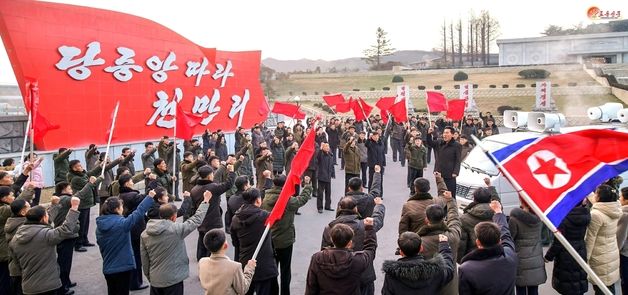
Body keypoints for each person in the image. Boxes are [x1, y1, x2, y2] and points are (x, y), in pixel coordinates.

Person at [140, 189, 212, 295]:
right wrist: (205, 201)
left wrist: (150, 276)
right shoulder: (176, 230)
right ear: (174, 217)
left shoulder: (145, 234)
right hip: (173, 279)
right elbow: (196, 219)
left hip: (155, 279)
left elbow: (144, 260)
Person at [10, 198, 81, 295]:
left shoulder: (15, 238)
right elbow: (66, 229)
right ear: (43, 218)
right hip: (48, 285)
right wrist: (74, 208)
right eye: (47, 215)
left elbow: (17, 264)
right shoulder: (46, 235)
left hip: (28, 286)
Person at [321, 197, 385, 295]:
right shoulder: (365, 226)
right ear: (355, 209)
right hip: (362, 277)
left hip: (337, 278)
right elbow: (377, 221)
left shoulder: (329, 228)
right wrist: (379, 206)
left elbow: (323, 253)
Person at [261, 175, 313, 295]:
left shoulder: (265, 196)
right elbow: (302, 199)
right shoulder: (287, 200)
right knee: (285, 271)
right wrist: (307, 185)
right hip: (285, 241)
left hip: (269, 240)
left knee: (272, 270)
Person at [96, 194, 155, 295]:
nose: (123, 209)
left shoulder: (100, 226)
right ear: (116, 209)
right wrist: (149, 197)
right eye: (121, 206)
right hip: (122, 268)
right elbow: (138, 212)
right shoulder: (122, 224)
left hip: (108, 267)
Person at [53, 177, 100, 294]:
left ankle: (66, 281)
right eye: (69, 188)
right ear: (63, 189)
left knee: (66, 261)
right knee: (64, 262)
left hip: (68, 234)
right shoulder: (64, 199)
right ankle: (62, 287)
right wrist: (90, 184)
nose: (71, 189)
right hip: (66, 235)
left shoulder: (62, 198)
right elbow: (80, 195)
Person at [458, 200, 517, 295]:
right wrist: (498, 212)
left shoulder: (467, 269)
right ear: (499, 241)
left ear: (478, 242)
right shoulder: (510, 256)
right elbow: (506, 234)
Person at [306, 220, 377, 295]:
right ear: (350, 243)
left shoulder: (317, 258)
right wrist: (369, 228)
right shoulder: (358, 260)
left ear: (332, 240)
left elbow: (311, 286)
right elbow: (370, 250)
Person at [231, 188, 279, 295]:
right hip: (265, 266)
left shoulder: (235, 218)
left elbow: (235, 243)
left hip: (245, 263)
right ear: (258, 200)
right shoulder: (265, 216)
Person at [382, 233, 455, 294]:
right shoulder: (435, 271)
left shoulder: (392, 275)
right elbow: (449, 269)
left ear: (401, 252)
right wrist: (444, 246)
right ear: (421, 248)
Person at [190, 164, 235, 260]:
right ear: (209, 175)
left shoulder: (194, 189)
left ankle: (201, 263)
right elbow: (228, 185)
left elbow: (192, 208)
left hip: (200, 220)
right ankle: (209, 265)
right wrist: (231, 172)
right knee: (212, 246)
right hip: (212, 221)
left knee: (202, 243)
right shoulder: (212, 187)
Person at [67, 158, 114, 252]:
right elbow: (90, 185)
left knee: (86, 223)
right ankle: (78, 244)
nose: (81, 167)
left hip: (87, 203)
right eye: (79, 166)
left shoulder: (82, 174)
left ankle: (85, 240)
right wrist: (100, 179)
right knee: (81, 224)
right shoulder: (76, 178)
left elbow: (90, 172)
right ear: (74, 168)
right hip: (82, 203)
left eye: (80, 165)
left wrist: (100, 166)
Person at [544, 202, 591, 295]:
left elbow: (558, 242)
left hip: (565, 252)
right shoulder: (586, 214)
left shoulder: (563, 217)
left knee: (567, 284)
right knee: (578, 279)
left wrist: (548, 256)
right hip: (580, 249)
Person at [586, 184, 622, 294]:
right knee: (609, 286)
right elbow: (599, 204)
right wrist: (585, 188)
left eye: (596, 193)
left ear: (600, 197)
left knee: (601, 288)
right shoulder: (615, 207)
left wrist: (585, 258)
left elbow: (590, 239)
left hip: (599, 256)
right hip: (611, 252)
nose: (595, 194)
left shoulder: (596, 214)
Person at [199, 229, 257, 295]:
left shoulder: (202, 262)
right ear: (225, 245)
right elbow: (243, 289)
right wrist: (249, 269)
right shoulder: (234, 267)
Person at [508, 200, 547, 295]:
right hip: (536, 258)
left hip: (520, 259)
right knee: (534, 289)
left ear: (524, 203)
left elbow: (510, 238)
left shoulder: (514, 219)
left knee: (520, 289)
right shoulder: (539, 218)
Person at [458, 186, 498, 261]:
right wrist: (491, 187)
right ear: (490, 199)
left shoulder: (465, 219)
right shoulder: (498, 214)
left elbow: (462, 243)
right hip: (496, 256)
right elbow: (497, 201)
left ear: (474, 199)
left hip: (474, 257)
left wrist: (461, 260)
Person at [426, 126, 461, 198]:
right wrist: (429, 134)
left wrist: (456, 172)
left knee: (450, 194)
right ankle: (441, 208)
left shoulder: (457, 145)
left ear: (452, 134)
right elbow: (430, 143)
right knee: (441, 193)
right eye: (444, 133)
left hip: (450, 174)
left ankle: (450, 208)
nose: (445, 134)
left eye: (447, 133)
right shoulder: (439, 142)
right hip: (439, 173)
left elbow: (458, 160)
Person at [4, 198, 29, 295]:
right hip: (20, 269)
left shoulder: (13, 222)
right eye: (29, 207)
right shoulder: (23, 226)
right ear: (23, 212)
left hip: (16, 268)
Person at [316, 143, 335, 213]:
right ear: (323, 148)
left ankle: (327, 206)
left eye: (328, 146)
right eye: (326, 146)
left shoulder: (330, 155)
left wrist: (333, 173)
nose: (327, 147)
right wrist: (320, 149)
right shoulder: (321, 154)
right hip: (321, 176)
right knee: (320, 193)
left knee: (328, 193)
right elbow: (318, 157)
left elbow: (332, 165)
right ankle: (320, 207)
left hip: (328, 176)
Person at [365, 131, 385, 196]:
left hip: (380, 165)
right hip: (372, 165)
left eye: (377, 136)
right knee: (371, 180)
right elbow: (366, 144)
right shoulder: (370, 143)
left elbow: (382, 153)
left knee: (380, 180)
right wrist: (369, 138)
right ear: (372, 137)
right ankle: (370, 194)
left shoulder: (381, 143)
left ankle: (380, 194)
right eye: (374, 136)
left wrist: (383, 163)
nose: (376, 137)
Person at [617, 187, 628, 295]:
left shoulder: (624, 215)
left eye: (621, 196)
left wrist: (615, 251)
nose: (619, 199)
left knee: (625, 281)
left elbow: (620, 237)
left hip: (625, 254)